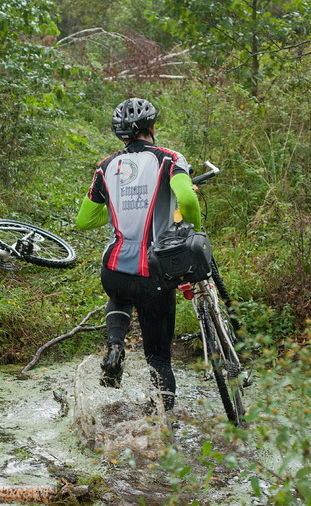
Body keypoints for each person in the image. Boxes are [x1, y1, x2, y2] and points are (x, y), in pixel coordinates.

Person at [76, 97, 201, 412]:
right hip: (155, 274)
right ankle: (164, 425)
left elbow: (85, 220)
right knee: (159, 359)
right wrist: (193, 230)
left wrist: (118, 209)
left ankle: (115, 345)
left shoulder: (105, 166)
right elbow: (187, 200)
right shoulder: (169, 159)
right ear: (152, 128)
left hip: (113, 271)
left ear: (119, 134)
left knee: (120, 298)